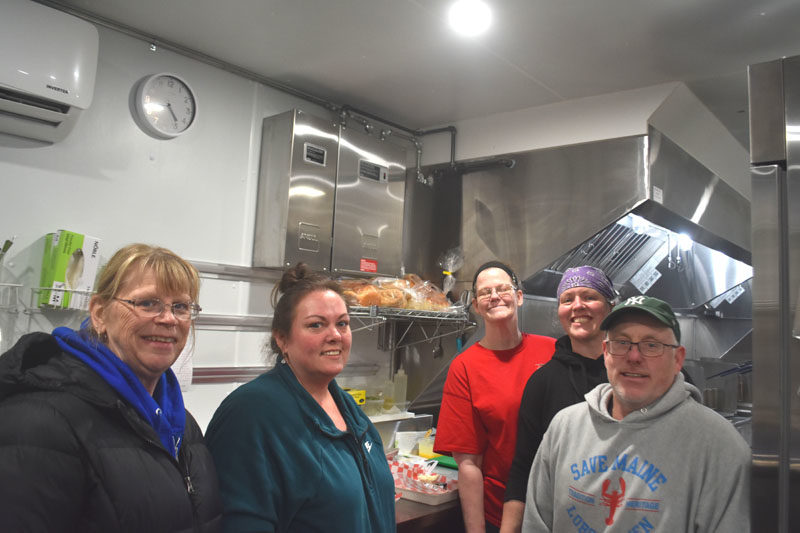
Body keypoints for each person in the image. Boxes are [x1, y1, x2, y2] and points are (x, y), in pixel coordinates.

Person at [0, 243, 221, 532]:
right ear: (100, 314)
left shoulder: (181, 424)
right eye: (147, 303)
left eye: (180, 307)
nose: (168, 318)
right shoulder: (38, 422)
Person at [522, 295, 750, 532]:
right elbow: (536, 524)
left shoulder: (720, 446)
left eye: (652, 345)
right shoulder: (565, 427)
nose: (633, 357)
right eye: (621, 343)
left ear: (677, 359)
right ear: (606, 353)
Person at [205, 263, 395, 533]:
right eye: (316, 325)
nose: (335, 335)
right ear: (282, 339)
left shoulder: (348, 408)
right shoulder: (250, 413)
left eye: (342, 323)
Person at [435, 261, 556, 532]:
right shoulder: (464, 367)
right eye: (485, 292)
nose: (494, 296)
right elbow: (469, 464)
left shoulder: (552, 352)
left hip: (557, 509)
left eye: (502, 289)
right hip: (499, 514)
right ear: (476, 306)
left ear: (519, 297)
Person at [501, 266, 615, 533]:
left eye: (589, 297)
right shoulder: (543, 382)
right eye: (567, 299)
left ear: (611, 307)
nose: (577, 306)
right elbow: (524, 467)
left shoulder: (632, 374)